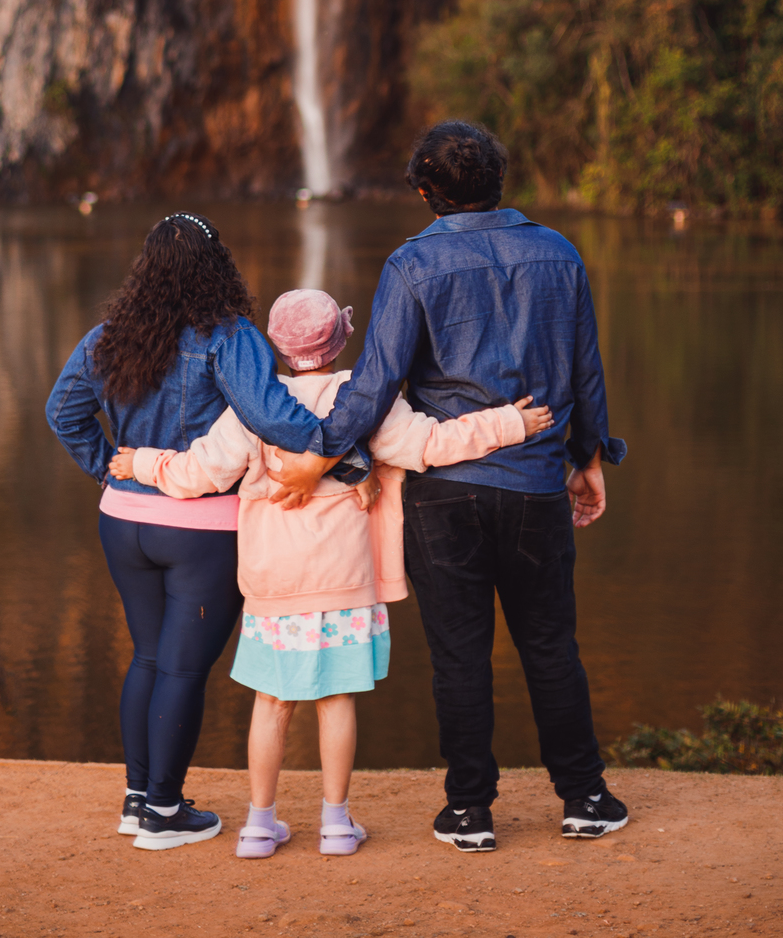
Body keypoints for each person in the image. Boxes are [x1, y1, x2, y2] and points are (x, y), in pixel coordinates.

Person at [271, 122, 628, 850]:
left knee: (460, 654)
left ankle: (469, 809)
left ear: (428, 193)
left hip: (443, 494)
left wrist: (321, 456)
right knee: (552, 645)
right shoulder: (559, 253)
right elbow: (585, 367)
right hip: (533, 484)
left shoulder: (411, 266)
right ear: (500, 178)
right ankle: (585, 795)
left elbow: (373, 388)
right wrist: (589, 458)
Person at [108, 288, 552, 860]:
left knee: (271, 702)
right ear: (342, 341)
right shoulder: (362, 398)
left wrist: (141, 462)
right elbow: (431, 445)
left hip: (275, 581)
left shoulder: (253, 404)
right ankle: (336, 825)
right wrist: (507, 424)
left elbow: (200, 471)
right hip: (345, 577)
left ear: (275, 346)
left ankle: (259, 827)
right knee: (336, 699)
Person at [46, 211, 338, 852]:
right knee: (182, 669)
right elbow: (270, 416)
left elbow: (62, 411)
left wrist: (109, 473)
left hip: (123, 523)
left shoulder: (108, 337)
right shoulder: (231, 338)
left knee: (148, 656)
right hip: (201, 529)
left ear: (145, 270)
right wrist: (340, 450)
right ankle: (163, 812)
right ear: (217, 267)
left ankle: (138, 798)